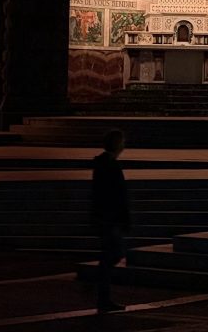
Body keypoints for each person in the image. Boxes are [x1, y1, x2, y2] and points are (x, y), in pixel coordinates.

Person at [91, 129, 129, 314]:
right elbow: (119, 194)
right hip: (110, 218)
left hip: (104, 217)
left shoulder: (101, 164)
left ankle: (102, 295)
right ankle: (102, 295)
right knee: (112, 255)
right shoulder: (111, 166)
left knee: (110, 255)